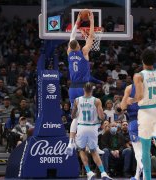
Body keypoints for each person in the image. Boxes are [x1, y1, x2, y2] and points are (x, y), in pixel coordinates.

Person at [127, 49, 156, 180]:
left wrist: (131, 100)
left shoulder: (139, 76)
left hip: (145, 112)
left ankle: (147, 178)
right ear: (155, 61)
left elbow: (140, 96)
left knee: (146, 148)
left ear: (142, 60)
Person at [65, 10, 98, 155]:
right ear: (78, 46)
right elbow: (91, 36)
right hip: (84, 88)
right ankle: (92, 145)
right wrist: (91, 21)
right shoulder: (84, 51)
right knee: (91, 114)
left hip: (72, 88)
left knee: (75, 116)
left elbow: (72, 36)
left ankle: (71, 143)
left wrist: (77, 21)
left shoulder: (69, 53)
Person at [71, 83, 112, 180]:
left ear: (83, 89)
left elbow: (73, 116)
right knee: (94, 151)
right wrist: (101, 117)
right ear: (92, 90)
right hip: (92, 128)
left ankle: (89, 172)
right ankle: (103, 173)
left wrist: (76, 113)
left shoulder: (77, 100)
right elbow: (102, 117)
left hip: (81, 127)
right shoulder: (96, 101)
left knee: (81, 150)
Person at [121, 84, 143, 180]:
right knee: (143, 151)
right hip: (147, 121)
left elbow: (122, 107)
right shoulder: (147, 86)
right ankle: (137, 176)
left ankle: (143, 167)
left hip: (134, 121)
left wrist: (126, 98)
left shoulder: (129, 88)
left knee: (138, 151)